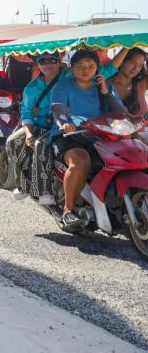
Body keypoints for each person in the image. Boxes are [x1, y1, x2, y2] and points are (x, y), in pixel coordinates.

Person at [49, 49, 127, 232]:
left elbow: (122, 113)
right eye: (80, 66)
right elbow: (59, 111)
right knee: (81, 161)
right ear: (72, 69)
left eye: (91, 66)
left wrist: (106, 92)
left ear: (97, 68)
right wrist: (65, 124)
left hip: (99, 135)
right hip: (69, 136)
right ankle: (67, 211)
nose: (86, 70)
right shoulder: (62, 87)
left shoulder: (104, 87)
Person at [8, 52, 64, 203]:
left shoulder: (69, 78)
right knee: (12, 141)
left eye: (52, 60)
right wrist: (28, 134)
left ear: (59, 62)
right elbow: (26, 113)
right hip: (38, 126)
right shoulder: (31, 88)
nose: (48, 64)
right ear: (38, 65)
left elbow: (106, 71)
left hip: (61, 126)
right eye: (43, 61)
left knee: (41, 145)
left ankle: (44, 190)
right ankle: (24, 185)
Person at [100, 46, 147, 117]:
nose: (136, 68)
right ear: (122, 60)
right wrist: (126, 46)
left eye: (140, 65)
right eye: (132, 63)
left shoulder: (142, 83)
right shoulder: (106, 84)